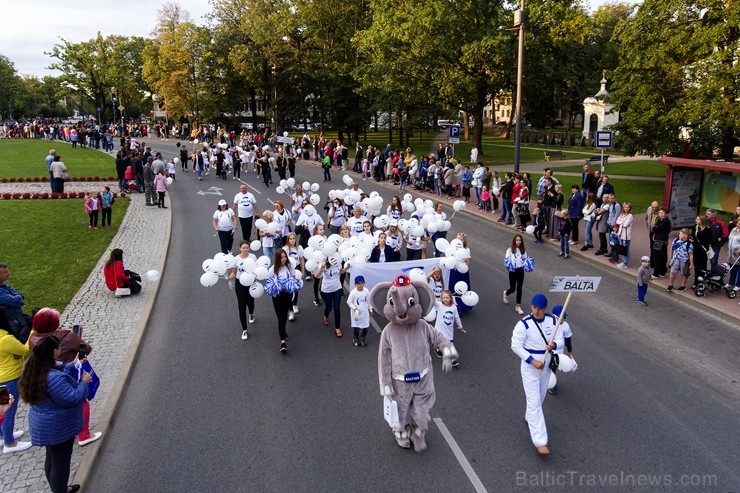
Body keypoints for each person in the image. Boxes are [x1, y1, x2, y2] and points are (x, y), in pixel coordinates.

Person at [19, 335, 90, 493]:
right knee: (61, 463)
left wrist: (73, 365)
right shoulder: (53, 378)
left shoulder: (34, 368)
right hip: (58, 427)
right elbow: (73, 398)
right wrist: (84, 382)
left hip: (44, 422)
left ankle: (57, 488)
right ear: (53, 352)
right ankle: (60, 490)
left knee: (52, 458)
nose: (60, 350)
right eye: (58, 347)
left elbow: (58, 371)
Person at [28, 308, 101, 447]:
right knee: (82, 401)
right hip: (72, 376)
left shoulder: (33, 339)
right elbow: (87, 348)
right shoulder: (66, 336)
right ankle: (84, 434)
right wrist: (83, 381)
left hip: (54, 385)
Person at [510, 293, 563, 456]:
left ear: (545, 308)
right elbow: (515, 346)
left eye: (540, 308)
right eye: (534, 307)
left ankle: (529, 416)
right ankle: (540, 441)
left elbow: (560, 340)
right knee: (534, 400)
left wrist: (554, 345)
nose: (536, 311)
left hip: (546, 366)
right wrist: (532, 361)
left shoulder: (553, 321)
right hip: (530, 368)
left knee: (540, 397)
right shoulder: (523, 324)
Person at [0, 308, 32, 454]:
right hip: (10, 378)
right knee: (8, 410)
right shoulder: (5, 340)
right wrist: (33, 332)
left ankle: (3, 436)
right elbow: (25, 350)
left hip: (2, 378)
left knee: (3, 408)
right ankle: (9, 443)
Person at [265, 250, 302, 353]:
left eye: (285, 257)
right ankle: (282, 342)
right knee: (280, 317)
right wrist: (276, 286)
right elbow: (268, 283)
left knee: (284, 316)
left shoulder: (289, 267)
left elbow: (294, 278)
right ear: (277, 258)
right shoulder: (272, 270)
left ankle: (283, 332)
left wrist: (292, 283)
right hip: (277, 296)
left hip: (288, 295)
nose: (284, 259)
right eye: (281, 257)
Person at [227, 241, 258, 339]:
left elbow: (257, 270)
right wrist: (230, 277)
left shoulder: (253, 257)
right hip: (240, 284)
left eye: (247, 248)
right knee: (241, 306)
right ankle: (244, 330)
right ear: (239, 248)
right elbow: (234, 272)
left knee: (251, 302)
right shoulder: (236, 259)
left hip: (251, 283)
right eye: (243, 248)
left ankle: (251, 314)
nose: (245, 249)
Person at [315, 257, 350, 338]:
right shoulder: (323, 263)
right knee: (329, 307)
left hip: (337, 288)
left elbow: (340, 271)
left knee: (337, 308)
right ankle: (325, 315)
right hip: (326, 289)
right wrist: (321, 269)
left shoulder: (338, 262)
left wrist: (347, 267)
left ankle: (337, 328)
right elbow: (317, 275)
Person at [432, 290, 464, 367]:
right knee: (438, 341)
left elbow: (457, 318)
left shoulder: (454, 308)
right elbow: (433, 301)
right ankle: (437, 350)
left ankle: (453, 360)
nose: (445, 299)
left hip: (448, 331)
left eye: (447, 297)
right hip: (439, 329)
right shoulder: (439, 305)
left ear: (450, 298)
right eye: (443, 298)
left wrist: (460, 326)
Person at [504, 234, 533, 315]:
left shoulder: (523, 250)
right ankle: (506, 293)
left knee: (519, 288)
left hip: (520, 271)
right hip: (512, 271)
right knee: (513, 289)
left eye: (520, 240)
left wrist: (528, 264)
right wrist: (510, 265)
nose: (518, 242)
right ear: (514, 241)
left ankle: (518, 306)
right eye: (517, 240)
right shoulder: (510, 250)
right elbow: (506, 260)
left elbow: (525, 260)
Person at [548, 305, 574, 395]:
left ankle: (551, 384)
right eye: (562, 316)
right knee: (546, 367)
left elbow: (568, 340)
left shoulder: (566, 326)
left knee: (553, 368)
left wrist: (569, 351)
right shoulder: (549, 324)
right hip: (547, 352)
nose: (563, 318)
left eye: (564, 316)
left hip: (558, 353)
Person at [282, 233, 305, 317]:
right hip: (288, 269)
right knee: (289, 289)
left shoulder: (299, 248)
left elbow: (301, 259)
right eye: (290, 239)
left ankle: (295, 304)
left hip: (297, 268)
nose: (292, 240)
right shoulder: (284, 249)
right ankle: (290, 310)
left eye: (293, 238)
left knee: (295, 288)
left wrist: (302, 271)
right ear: (288, 240)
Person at [347, 276, 371, 347]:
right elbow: (349, 302)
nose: (360, 285)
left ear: (364, 283)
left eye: (361, 283)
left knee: (366, 326)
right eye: (358, 283)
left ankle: (362, 337)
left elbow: (368, 301)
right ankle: (355, 338)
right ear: (355, 284)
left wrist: (370, 309)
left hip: (364, 312)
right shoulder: (353, 293)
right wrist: (354, 308)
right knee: (356, 326)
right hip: (356, 313)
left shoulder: (366, 291)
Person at [651, 207, 671, 278]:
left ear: (666, 214)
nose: (661, 214)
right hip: (660, 240)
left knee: (658, 257)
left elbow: (656, 229)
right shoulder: (659, 220)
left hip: (660, 241)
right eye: (660, 213)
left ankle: (656, 273)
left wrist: (655, 228)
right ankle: (662, 272)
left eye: (662, 213)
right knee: (662, 256)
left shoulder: (666, 222)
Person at [614, 202, 634, 268]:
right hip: (621, 234)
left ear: (630, 208)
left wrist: (621, 223)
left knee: (626, 249)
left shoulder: (630, 216)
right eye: (625, 207)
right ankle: (623, 261)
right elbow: (617, 221)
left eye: (628, 207)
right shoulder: (622, 214)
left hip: (626, 236)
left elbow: (625, 225)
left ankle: (625, 263)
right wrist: (622, 222)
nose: (626, 208)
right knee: (622, 249)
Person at [726, 222, 740, 290]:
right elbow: (730, 239)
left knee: (739, 270)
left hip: (738, 253)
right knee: (732, 268)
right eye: (738, 223)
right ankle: (731, 283)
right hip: (731, 252)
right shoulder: (733, 229)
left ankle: (738, 285)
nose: (738, 225)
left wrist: (739, 251)